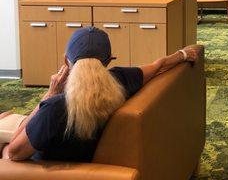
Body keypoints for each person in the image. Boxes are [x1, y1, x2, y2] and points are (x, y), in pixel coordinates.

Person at [0, 27, 198, 162]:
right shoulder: (122, 79)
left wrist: (49, 95)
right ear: (109, 60)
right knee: (4, 118)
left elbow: (15, 153)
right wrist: (183, 54)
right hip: (78, 149)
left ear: (66, 61)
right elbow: (158, 65)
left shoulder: (56, 107)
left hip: (41, 164)